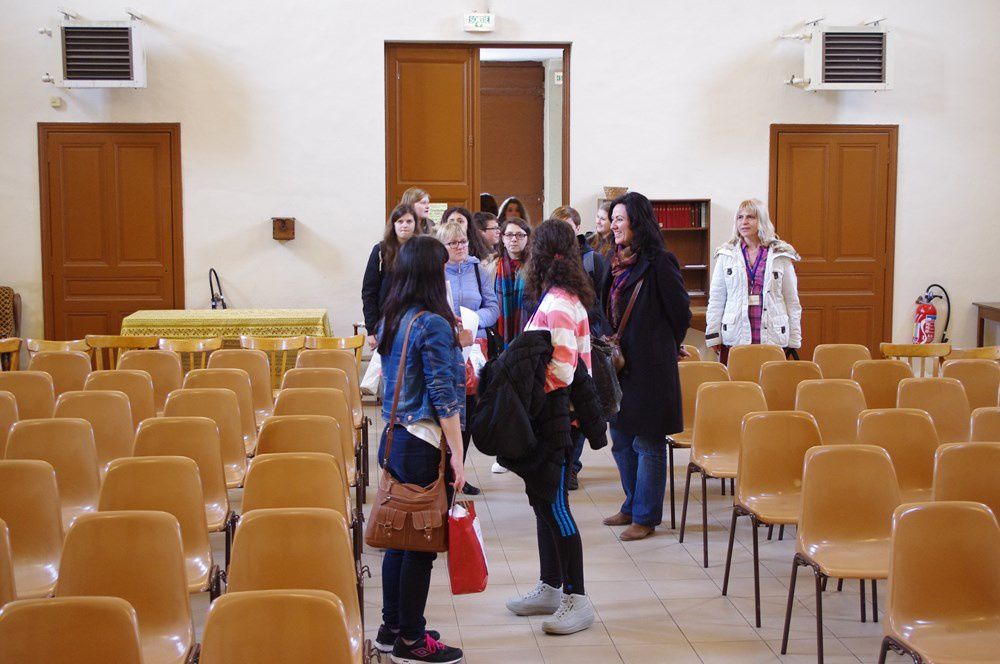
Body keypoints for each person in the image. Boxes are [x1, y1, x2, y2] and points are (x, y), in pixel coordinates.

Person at [475, 220, 606, 635]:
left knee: (556, 507)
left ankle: (577, 598)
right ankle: (551, 586)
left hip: (560, 419)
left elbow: (563, 369)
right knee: (541, 501)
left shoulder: (562, 304)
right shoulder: (555, 297)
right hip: (552, 415)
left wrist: (525, 398)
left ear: (545, 255)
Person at [374, 235, 466, 664]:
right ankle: (411, 640)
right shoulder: (432, 323)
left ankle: (392, 626)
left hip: (392, 437)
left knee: (399, 538)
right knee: (421, 545)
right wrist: (459, 454)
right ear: (432, 274)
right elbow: (444, 396)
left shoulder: (392, 317)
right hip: (420, 440)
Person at [601, 192, 691, 541]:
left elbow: (679, 311)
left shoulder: (660, 261)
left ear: (638, 221)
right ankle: (631, 502)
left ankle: (646, 515)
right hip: (620, 366)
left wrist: (668, 344)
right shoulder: (614, 261)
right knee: (621, 439)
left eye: (621, 218)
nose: (615, 225)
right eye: (613, 219)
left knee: (648, 443)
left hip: (651, 367)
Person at [438, 220, 500, 495]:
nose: (460, 247)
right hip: (450, 345)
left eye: (462, 241)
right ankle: (445, 478)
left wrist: (473, 321)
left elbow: (493, 307)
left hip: (476, 346)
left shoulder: (478, 270)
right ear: (443, 247)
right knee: (452, 410)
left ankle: (458, 474)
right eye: (453, 243)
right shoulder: (437, 273)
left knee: (472, 411)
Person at [550, 205, 610, 490]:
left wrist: (586, 326)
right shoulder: (545, 261)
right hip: (558, 342)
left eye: (567, 226)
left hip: (586, 342)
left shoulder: (592, 260)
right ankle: (563, 465)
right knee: (563, 407)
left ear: (576, 228)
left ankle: (572, 466)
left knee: (581, 405)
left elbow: (601, 303)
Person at [705, 199, 802, 363]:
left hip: (772, 334)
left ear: (762, 220)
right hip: (735, 334)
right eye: (740, 217)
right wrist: (714, 335)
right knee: (737, 386)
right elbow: (716, 298)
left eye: (750, 217)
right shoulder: (726, 255)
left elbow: (792, 300)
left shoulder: (780, 255)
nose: (744, 222)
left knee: (770, 385)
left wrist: (794, 338)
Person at [488, 216, 531, 476]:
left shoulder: (536, 265)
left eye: (519, 235)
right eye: (509, 235)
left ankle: (526, 451)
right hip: (500, 341)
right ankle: (503, 453)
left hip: (527, 340)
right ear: (501, 238)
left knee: (527, 398)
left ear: (527, 238)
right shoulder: (492, 267)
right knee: (502, 398)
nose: (513, 240)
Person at [361, 203, 420, 349]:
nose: (404, 225)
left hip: (416, 319)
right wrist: (371, 329)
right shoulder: (381, 250)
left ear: (415, 224)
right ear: (393, 224)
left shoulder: (422, 250)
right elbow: (369, 292)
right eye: (400, 221)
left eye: (409, 221)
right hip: (386, 320)